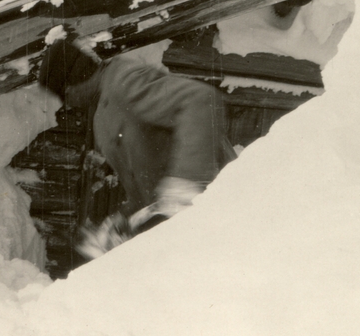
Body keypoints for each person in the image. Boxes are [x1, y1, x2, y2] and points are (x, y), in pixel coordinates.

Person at [37, 35, 234, 259]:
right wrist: (125, 219)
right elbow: (147, 176)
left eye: (64, 97)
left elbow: (200, 99)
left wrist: (187, 183)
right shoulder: (103, 107)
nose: (68, 104)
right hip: (187, 224)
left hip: (217, 210)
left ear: (71, 87)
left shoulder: (123, 80)